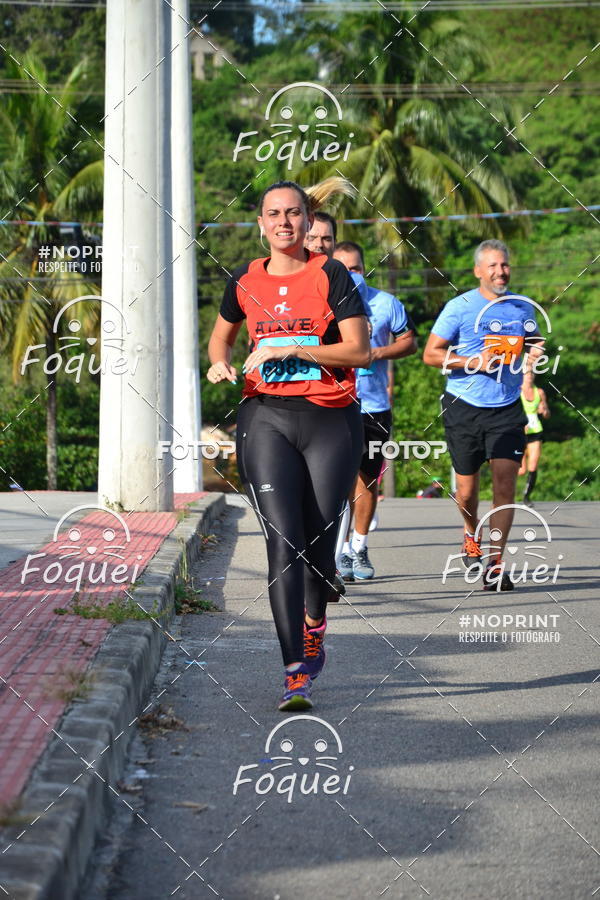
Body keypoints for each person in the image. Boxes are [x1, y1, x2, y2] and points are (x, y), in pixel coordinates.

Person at [207, 178, 370, 711]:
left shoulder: (330, 274)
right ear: (260, 224)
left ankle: (315, 621)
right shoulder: (244, 278)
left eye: (293, 213)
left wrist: (291, 347)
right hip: (266, 416)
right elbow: (221, 336)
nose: (284, 222)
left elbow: (360, 351)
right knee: (283, 541)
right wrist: (218, 361)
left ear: (306, 220)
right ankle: (294, 672)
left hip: (330, 418)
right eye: (274, 214)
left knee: (319, 551)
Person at [423, 239, 544, 591]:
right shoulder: (460, 307)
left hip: (506, 408)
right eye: (492, 265)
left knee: (505, 486)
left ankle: (495, 564)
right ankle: (469, 532)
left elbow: (535, 341)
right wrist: (471, 361)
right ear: (478, 271)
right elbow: (431, 354)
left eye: (504, 265)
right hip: (464, 406)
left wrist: (533, 356)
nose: (500, 271)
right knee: (466, 492)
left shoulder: (522, 307)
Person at [333, 241, 417, 580]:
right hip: (334, 404)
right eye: (342, 269)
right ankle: (337, 551)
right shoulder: (324, 302)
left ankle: (359, 546)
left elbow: (409, 342)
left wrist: (377, 352)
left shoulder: (386, 303)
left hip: (374, 407)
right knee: (335, 480)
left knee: (366, 480)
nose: (350, 274)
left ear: (364, 269)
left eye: (355, 268)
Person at [519, 369, 550, 504]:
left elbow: (547, 413)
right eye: (527, 373)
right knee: (521, 470)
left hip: (536, 431)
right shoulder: (516, 391)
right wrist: (520, 423)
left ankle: (526, 497)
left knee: (533, 465)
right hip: (519, 432)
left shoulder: (540, 392)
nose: (529, 376)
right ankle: (505, 489)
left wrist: (544, 410)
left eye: (532, 373)